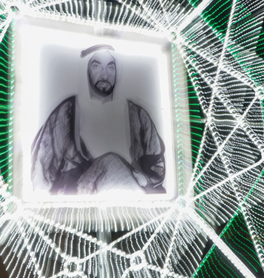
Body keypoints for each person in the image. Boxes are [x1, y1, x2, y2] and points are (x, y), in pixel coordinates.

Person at [31, 44, 165, 196]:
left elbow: (157, 164)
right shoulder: (66, 114)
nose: (105, 75)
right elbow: (42, 173)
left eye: (110, 67)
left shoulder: (138, 115)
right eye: (96, 66)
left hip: (130, 199)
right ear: (86, 69)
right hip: (81, 200)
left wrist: (144, 179)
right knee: (111, 163)